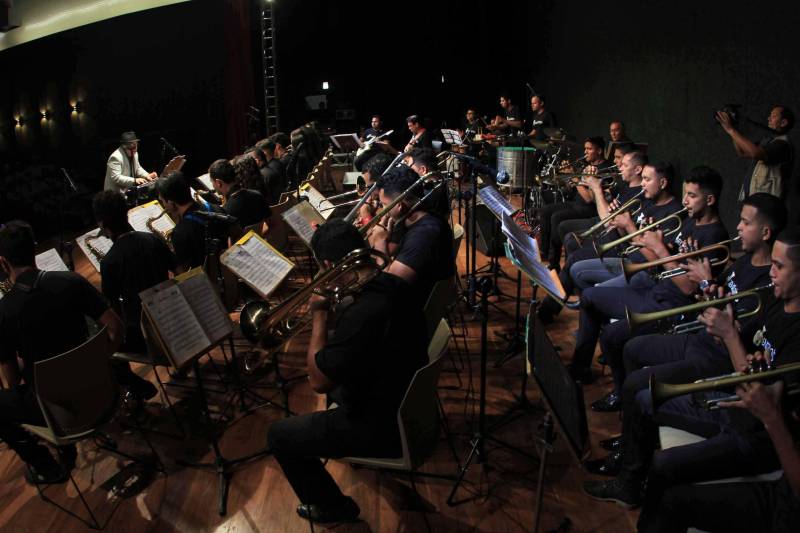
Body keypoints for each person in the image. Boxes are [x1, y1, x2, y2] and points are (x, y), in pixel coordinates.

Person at [583, 228, 800, 511]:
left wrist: (730, 336)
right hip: (716, 360)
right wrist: (715, 304)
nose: (772, 272)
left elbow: (758, 391)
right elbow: (747, 345)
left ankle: (631, 481)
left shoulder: (792, 328)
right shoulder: (773, 300)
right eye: (772, 263)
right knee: (637, 379)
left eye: (779, 266)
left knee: (650, 414)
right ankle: (629, 459)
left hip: (749, 421)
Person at [267, 220, 427, 525]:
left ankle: (332, 506)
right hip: (404, 404)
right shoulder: (396, 286)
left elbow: (318, 382)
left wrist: (319, 316)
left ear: (328, 265)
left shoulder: (364, 314)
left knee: (278, 435)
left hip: (381, 426)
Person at [0, 221, 124, 484]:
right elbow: (115, 328)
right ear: (33, 251)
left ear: (3, 263)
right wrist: (99, 362)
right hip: (103, 393)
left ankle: (46, 466)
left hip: (57, 413)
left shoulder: (4, 312)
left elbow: (11, 381)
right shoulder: (72, 281)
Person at [638, 378, 800, 532]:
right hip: (783, 488)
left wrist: (772, 418)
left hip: (790, 512)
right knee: (671, 501)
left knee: (670, 488)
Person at [369, 165, 455, 309]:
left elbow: (390, 287)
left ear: (399, 206)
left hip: (409, 310)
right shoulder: (414, 218)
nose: (382, 211)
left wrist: (380, 241)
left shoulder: (424, 234)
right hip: (409, 297)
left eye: (384, 205)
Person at [539, 136, 611, 270]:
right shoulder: (586, 165)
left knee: (557, 217)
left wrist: (574, 177)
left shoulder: (604, 169)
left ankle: (554, 262)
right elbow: (573, 190)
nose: (585, 152)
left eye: (589, 149)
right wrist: (568, 179)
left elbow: (589, 198)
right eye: (585, 149)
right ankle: (543, 253)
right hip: (576, 203)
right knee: (545, 210)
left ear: (599, 151)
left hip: (590, 209)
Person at [156, 171, 235, 273]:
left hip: (209, 282)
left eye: (162, 201)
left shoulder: (180, 232)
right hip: (230, 272)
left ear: (170, 202)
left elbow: (182, 273)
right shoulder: (215, 208)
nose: (164, 206)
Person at [716, 105, 795, 201]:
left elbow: (755, 153)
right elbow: (742, 152)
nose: (768, 118)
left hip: (767, 204)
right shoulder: (768, 141)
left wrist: (731, 130)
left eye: (773, 116)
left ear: (783, 122)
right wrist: (734, 128)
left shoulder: (782, 144)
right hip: (755, 201)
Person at [209, 159, 271, 229]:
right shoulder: (257, 195)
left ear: (218, 183)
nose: (213, 186)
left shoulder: (226, 212)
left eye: (212, 182)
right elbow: (271, 224)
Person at [104, 131, 158, 195]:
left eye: (136, 146)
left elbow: (137, 168)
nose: (135, 150)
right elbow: (116, 177)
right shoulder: (115, 157)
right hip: (113, 194)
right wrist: (135, 180)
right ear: (124, 147)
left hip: (126, 191)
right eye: (132, 148)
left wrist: (146, 175)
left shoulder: (135, 153)